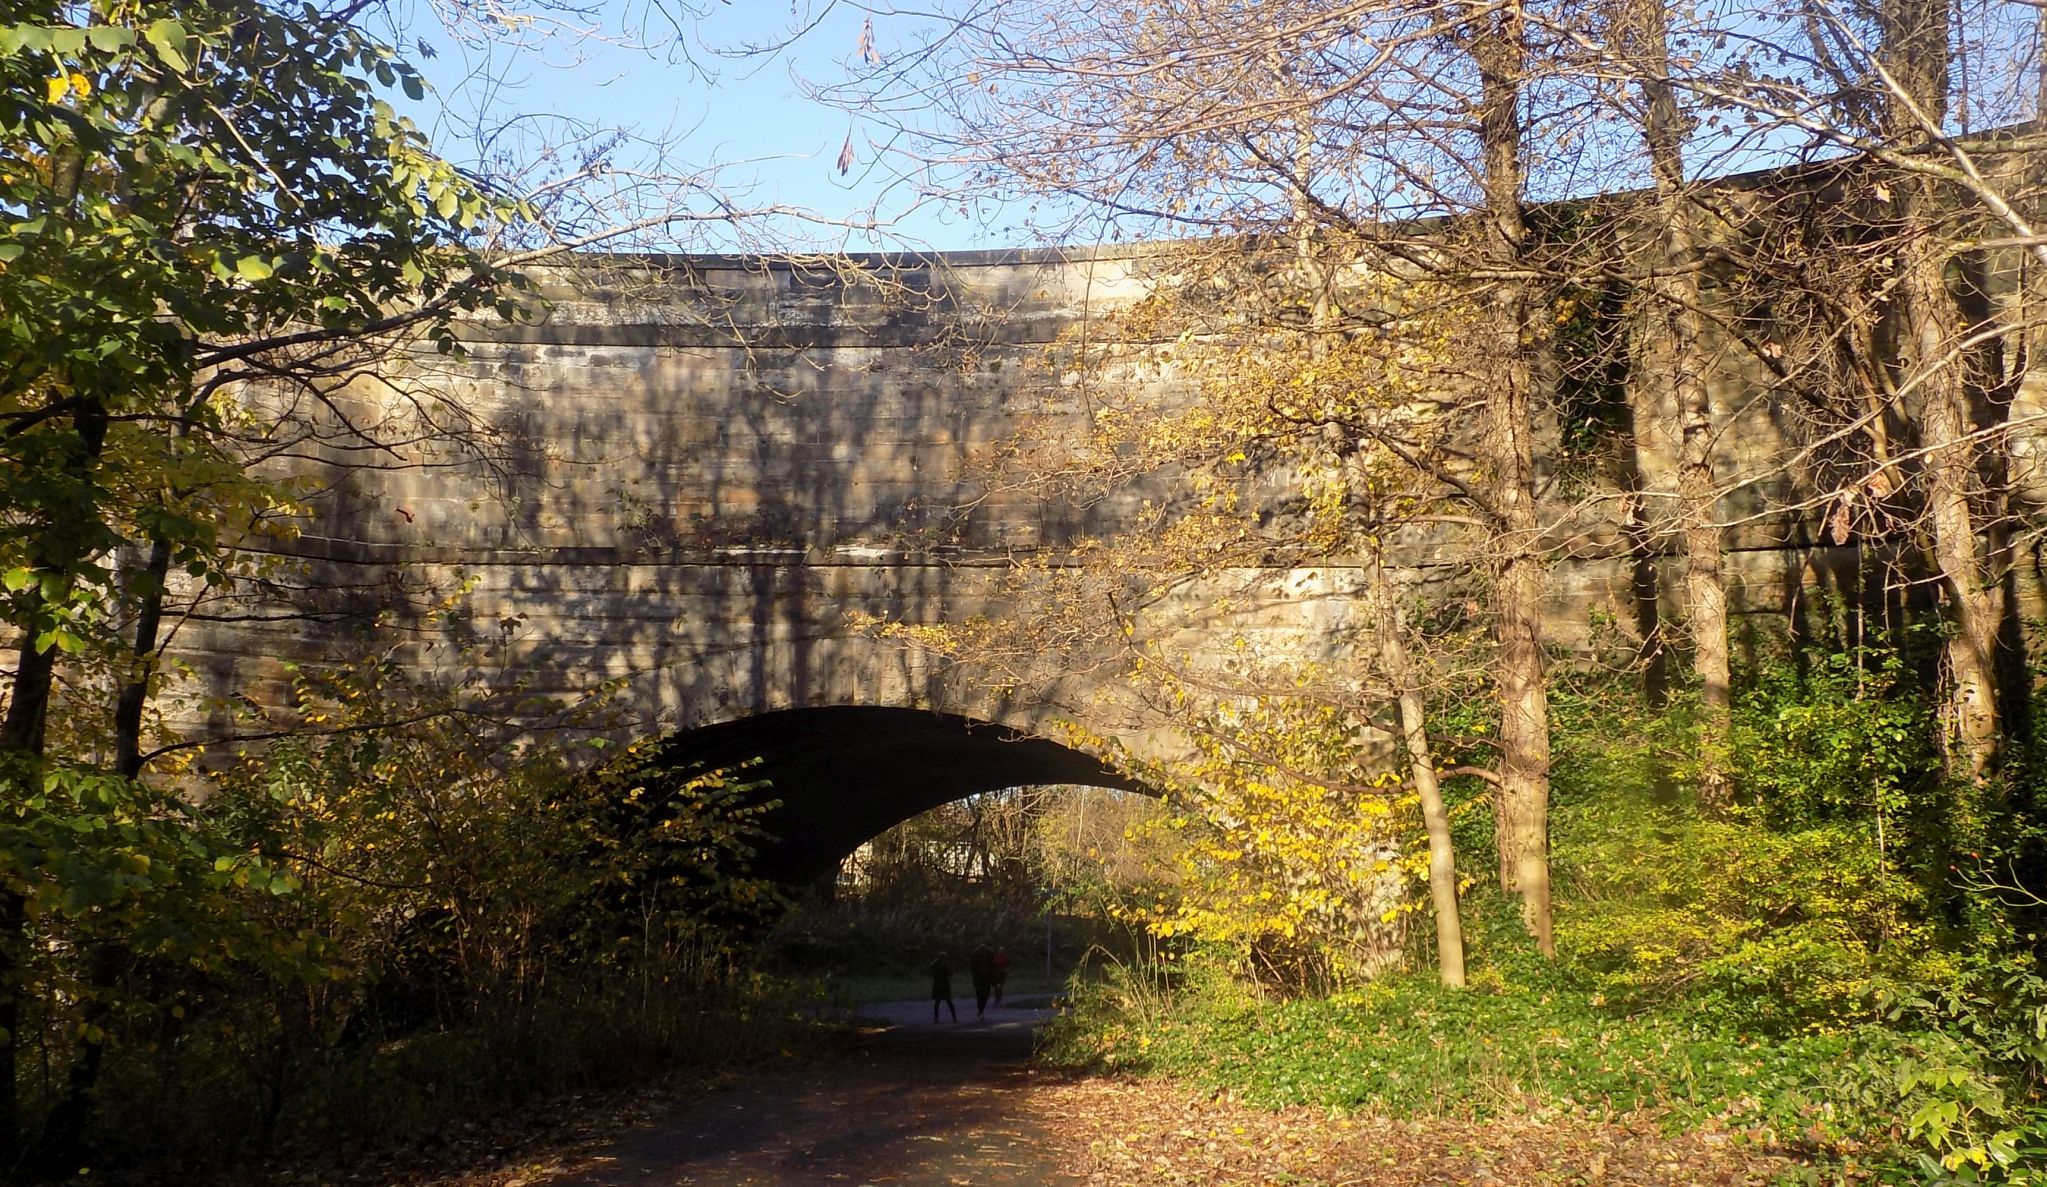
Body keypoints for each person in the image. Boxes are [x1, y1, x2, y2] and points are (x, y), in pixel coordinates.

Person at [968, 944, 998, 1019]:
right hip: (979, 979)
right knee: (979, 995)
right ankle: (980, 1010)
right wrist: (979, 972)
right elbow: (972, 968)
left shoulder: (989, 956)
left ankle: (981, 1010)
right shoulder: (976, 957)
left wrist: (988, 971)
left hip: (987, 979)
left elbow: (994, 967)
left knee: (985, 995)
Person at [929, 953, 958, 1023]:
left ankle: (953, 1018)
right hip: (940, 985)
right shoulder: (935, 964)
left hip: (943, 985)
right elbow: (933, 973)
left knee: (947, 1002)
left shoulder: (944, 964)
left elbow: (951, 974)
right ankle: (937, 1019)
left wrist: (946, 968)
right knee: (940, 1002)